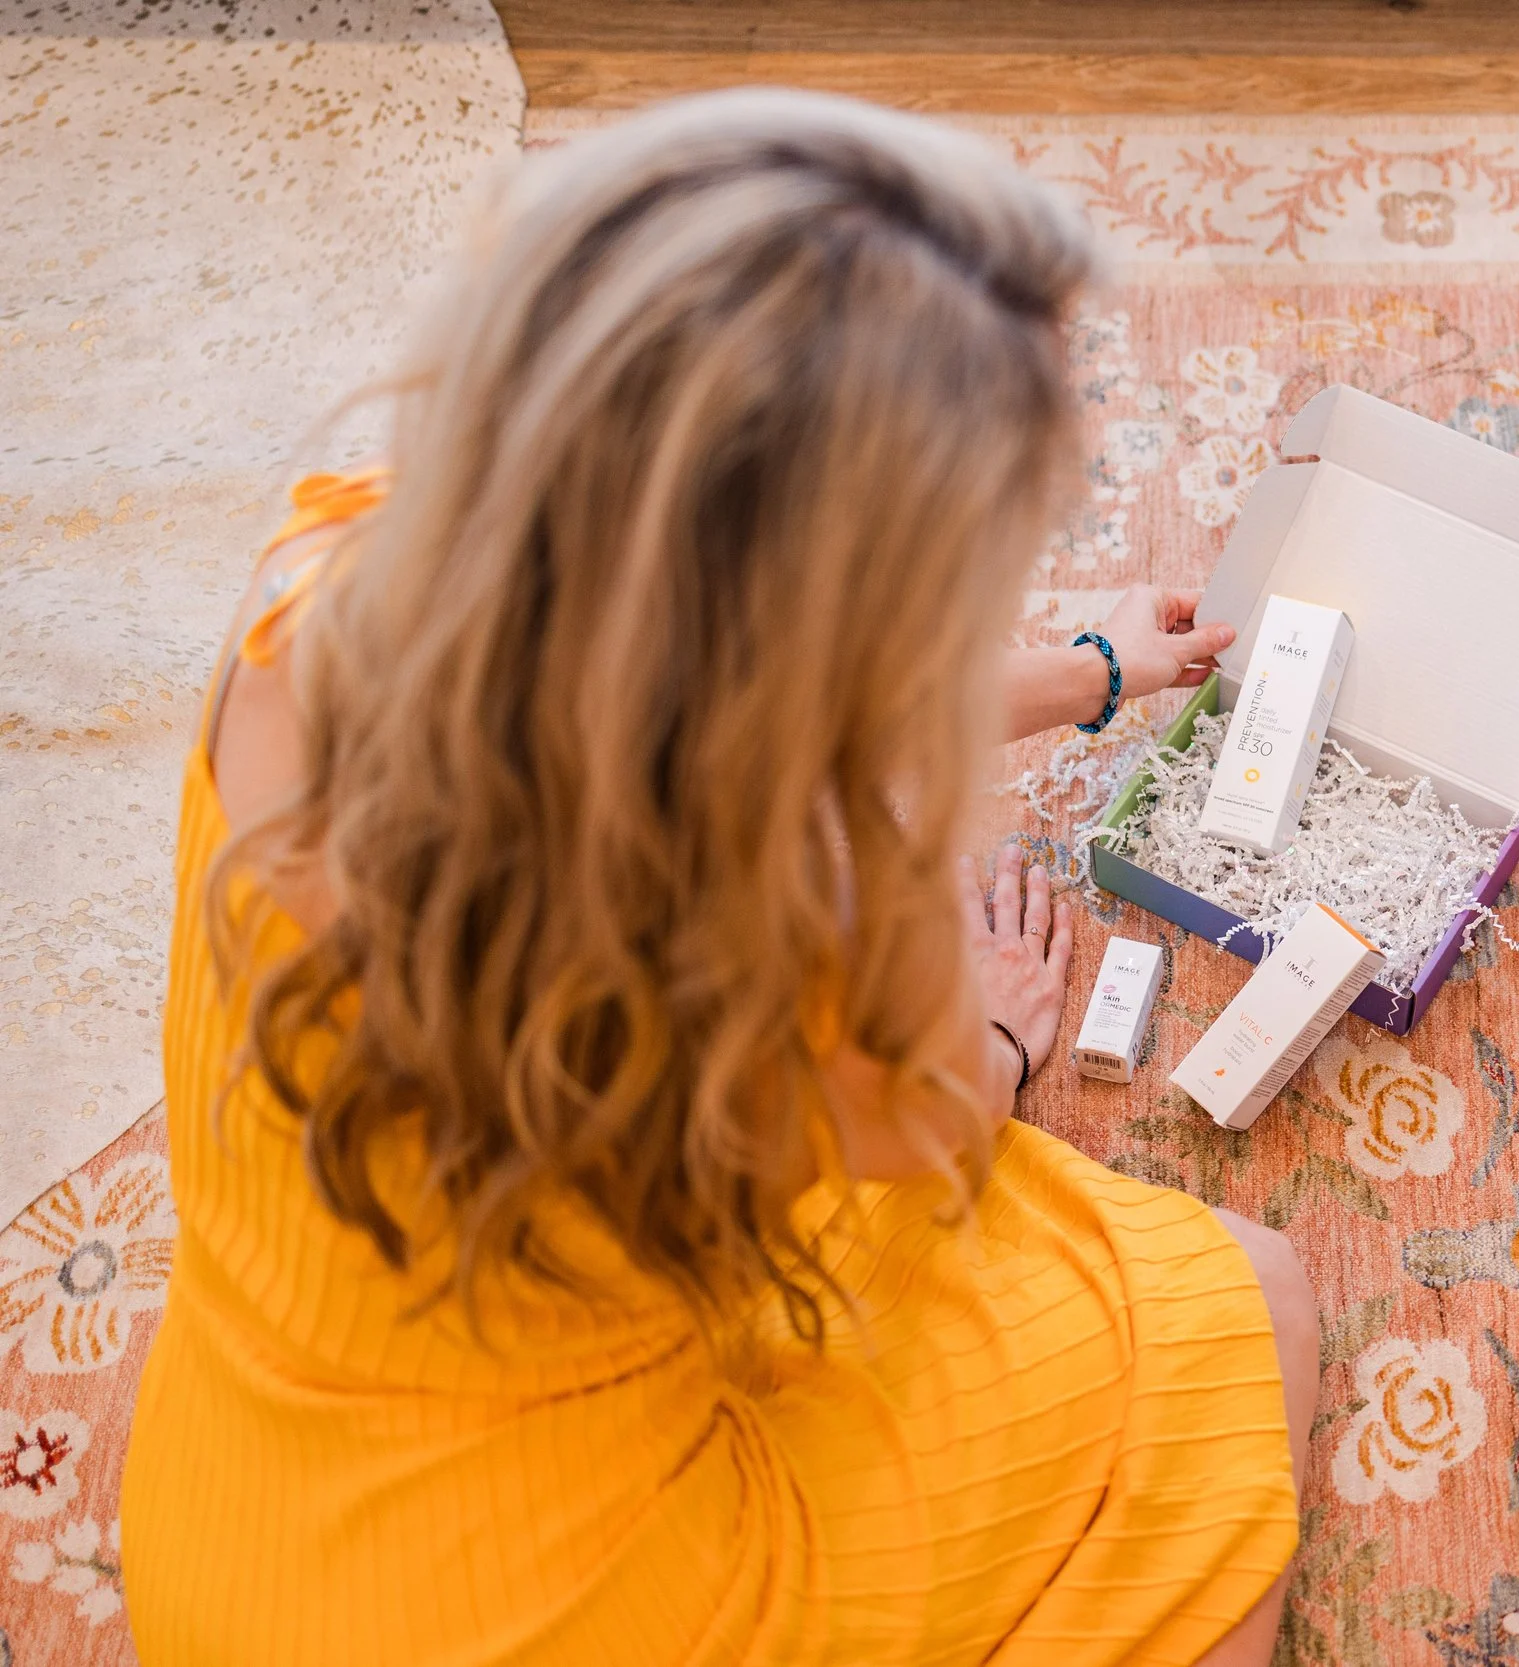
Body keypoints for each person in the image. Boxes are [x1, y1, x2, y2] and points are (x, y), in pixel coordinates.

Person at [121, 90, 1317, 1665]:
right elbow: (935, 1119)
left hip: (228, 1537)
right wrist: (993, 1028)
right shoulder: (789, 917)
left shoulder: (320, 592)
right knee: (1244, 1304)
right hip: (568, 1612)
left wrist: (1089, 668)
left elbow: (727, 676)